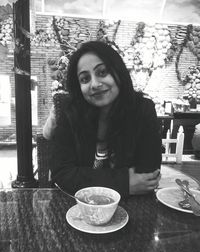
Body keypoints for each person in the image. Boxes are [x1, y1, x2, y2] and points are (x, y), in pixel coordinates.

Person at [50, 41, 162, 198]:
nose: (94, 84)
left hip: (133, 208)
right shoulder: (70, 112)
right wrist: (123, 183)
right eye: (84, 79)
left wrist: (85, 179)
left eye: (102, 72)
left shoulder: (142, 109)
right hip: (78, 207)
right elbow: (61, 173)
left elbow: (148, 175)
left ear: (118, 72)